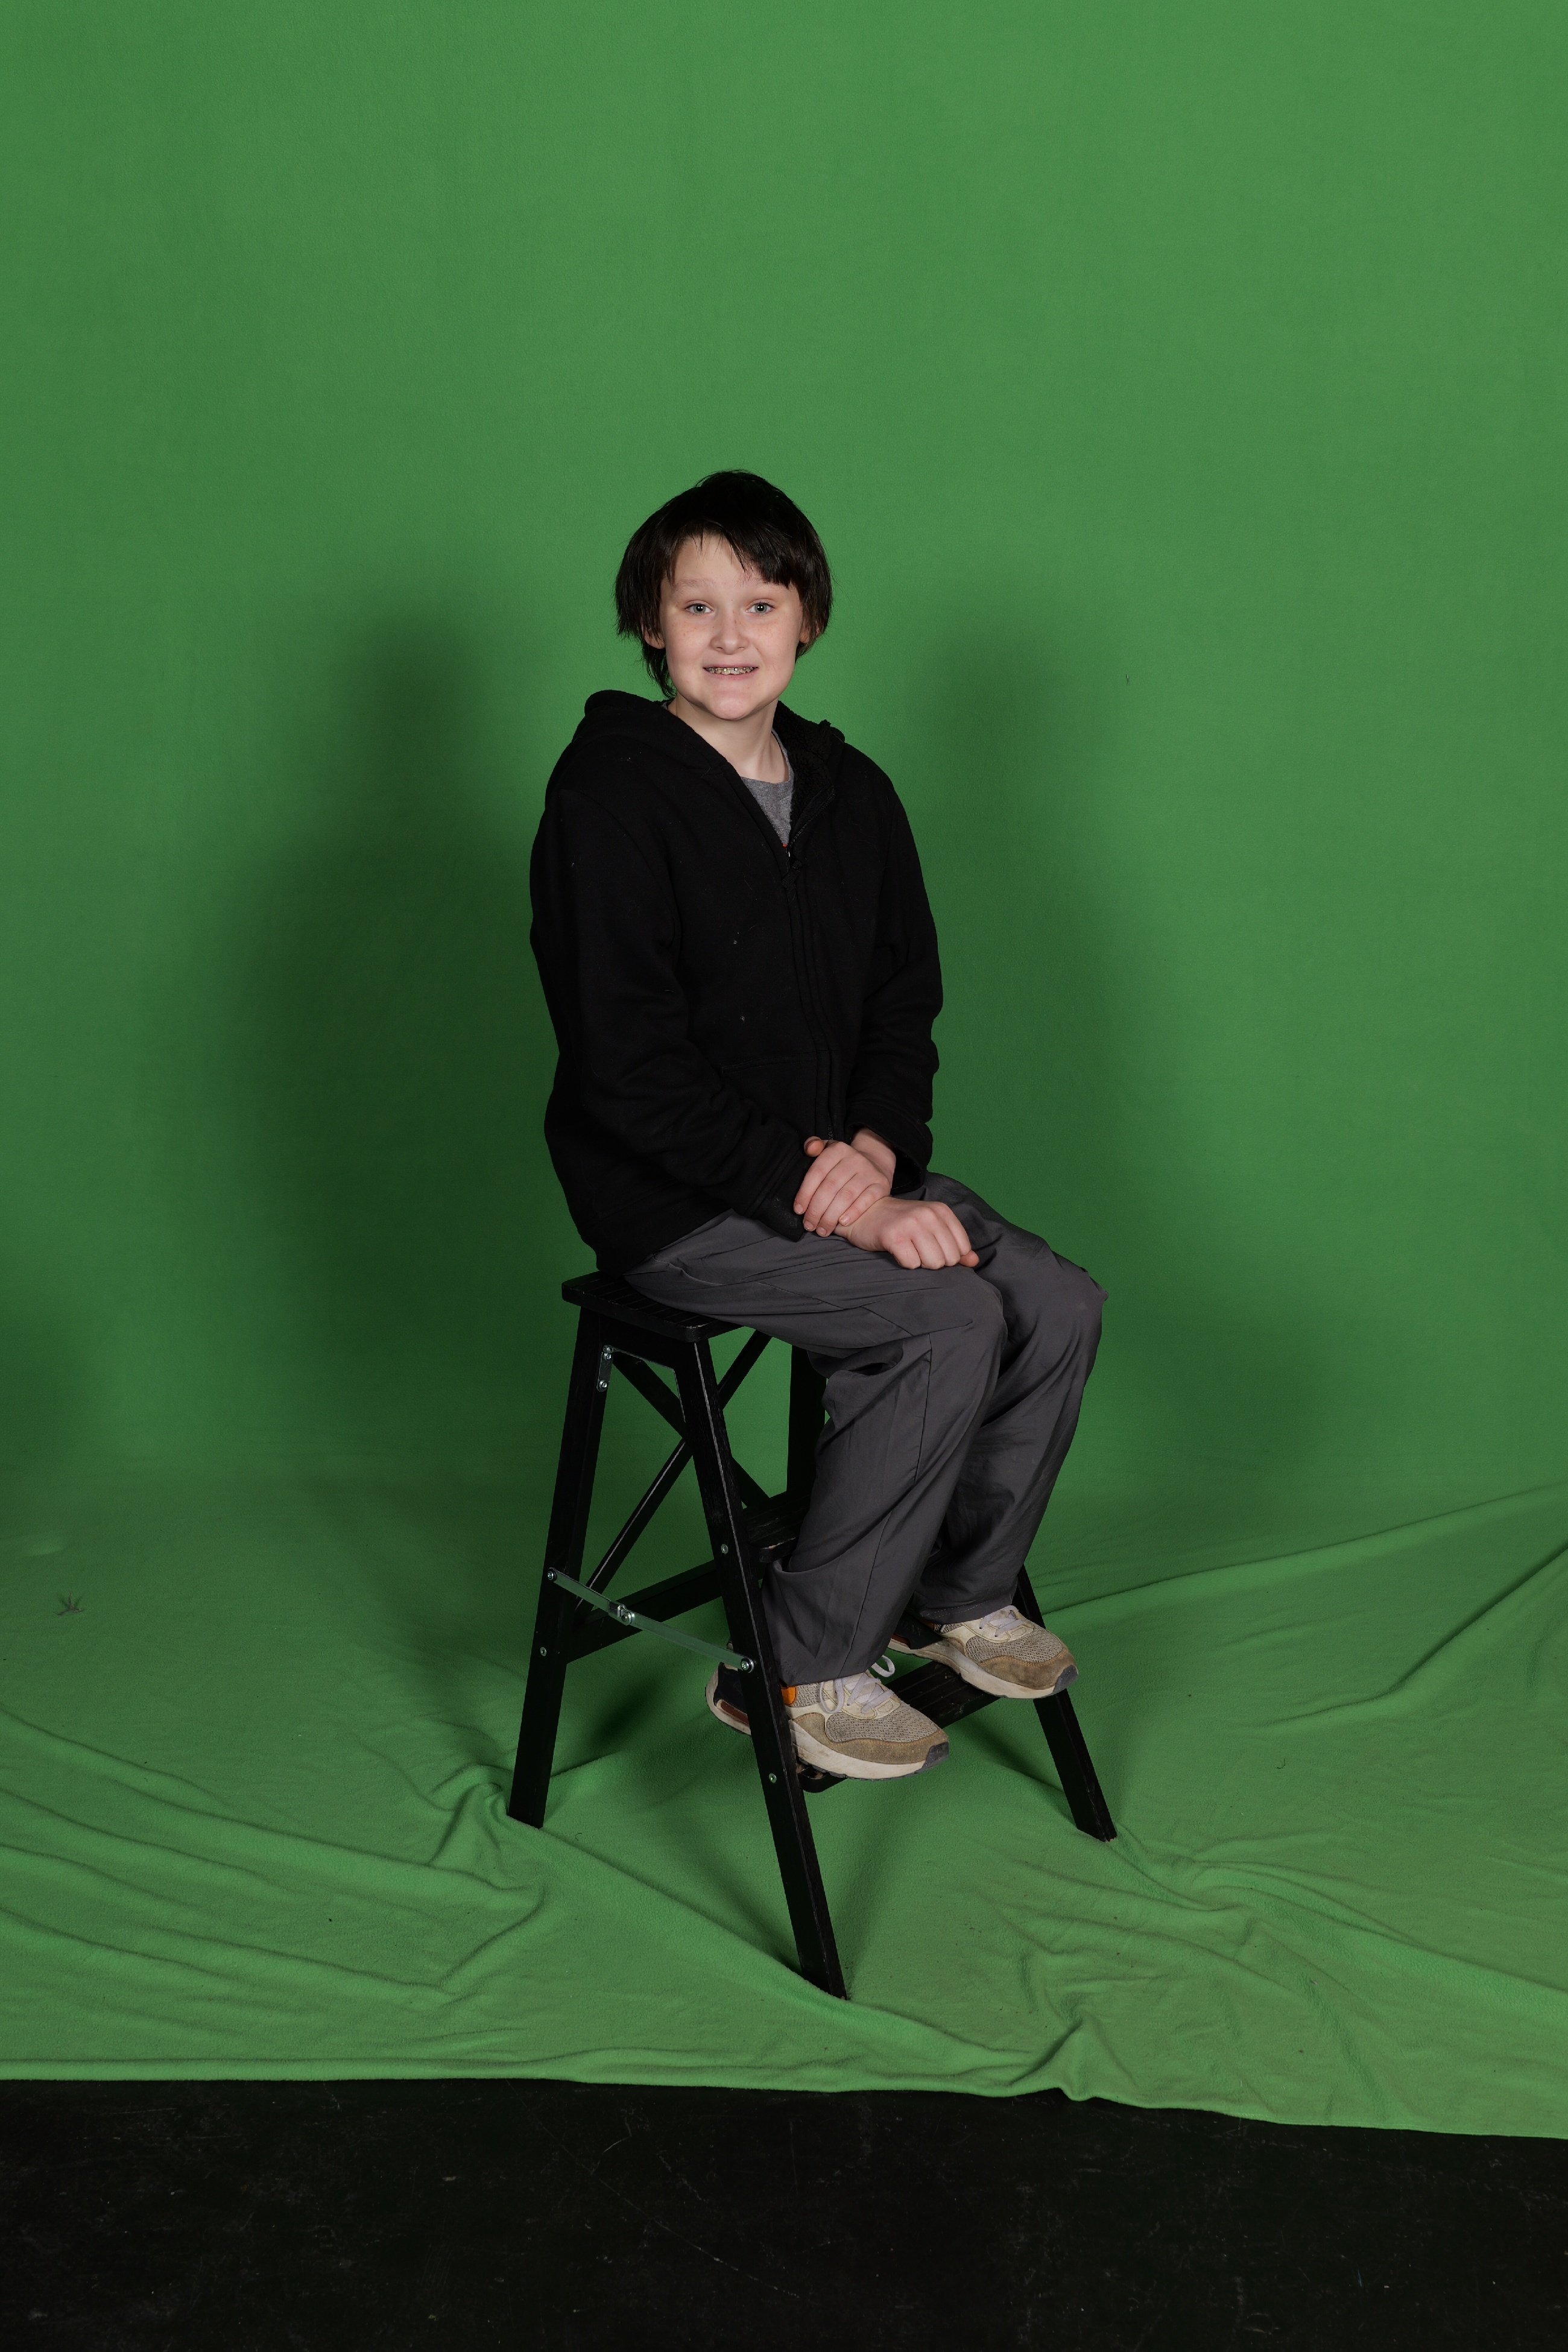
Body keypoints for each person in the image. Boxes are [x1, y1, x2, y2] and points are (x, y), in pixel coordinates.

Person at [530, 472, 1104, 1783]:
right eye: (696, 607)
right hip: (677, 1200)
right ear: (651, 626)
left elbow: (904, 1009)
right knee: (945, 1321)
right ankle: (795, 1665)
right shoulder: (607, 796)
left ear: (807, 621)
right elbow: (627, 1069)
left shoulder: (855, 794)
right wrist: (836, 1195)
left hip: (850, 1172)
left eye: (761, 603)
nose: (730, 636)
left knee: (1055, 1303)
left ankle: (948, 1594)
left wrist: (881, 1158)